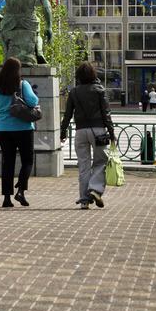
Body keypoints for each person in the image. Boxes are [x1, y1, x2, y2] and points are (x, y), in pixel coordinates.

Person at [60, 62, 116, 210]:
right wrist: (111, 132)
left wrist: (62, 131)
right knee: (101, 162)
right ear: (93, 74)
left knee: (83, 166)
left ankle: (84, 200)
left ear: (78, 76)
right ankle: (95, 189)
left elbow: (67, 115)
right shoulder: (100, 90)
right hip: (99, 130)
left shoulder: (74, 92)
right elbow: (106, 114)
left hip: (80, 131)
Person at [0, 57, 38, 208]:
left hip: (3, 130)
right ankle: (21, 190)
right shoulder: (22, 84)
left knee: (7, 163)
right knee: (27, 160)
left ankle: (7, 199)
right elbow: (33, 102)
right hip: (23, 128)